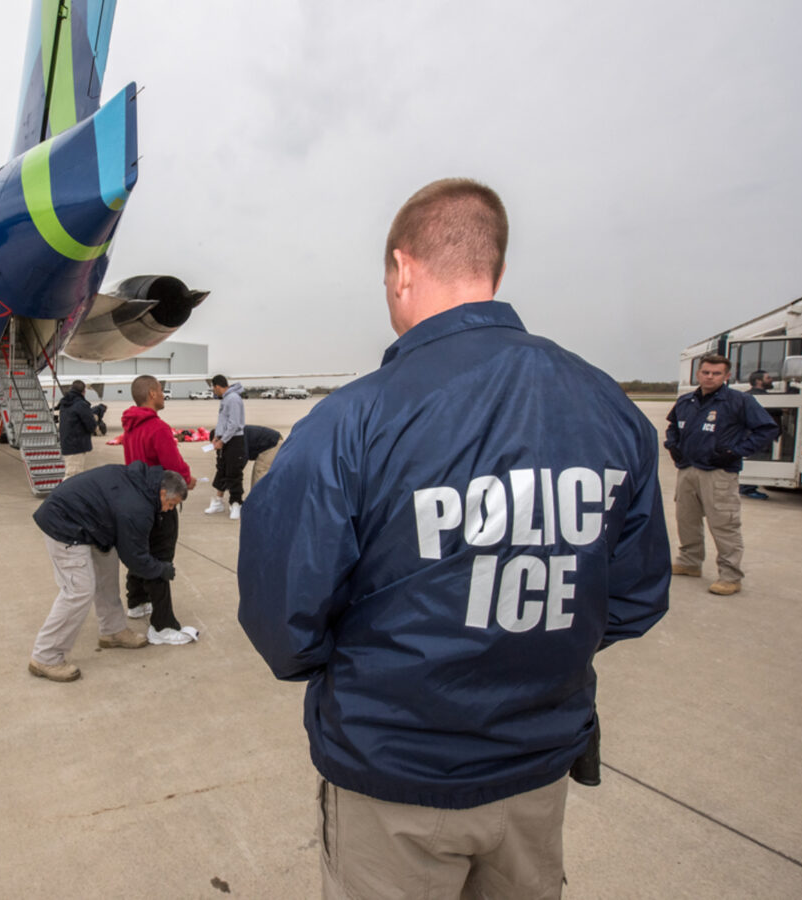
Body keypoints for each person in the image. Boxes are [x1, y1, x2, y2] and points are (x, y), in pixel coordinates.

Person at [237, 178, 671, 899]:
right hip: (536, 769)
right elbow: (633, 599)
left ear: (403, 269)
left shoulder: (352, 421)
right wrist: (527, 651)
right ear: (494, 271)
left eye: (387, 281)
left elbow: (284, 620)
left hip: (397, 779)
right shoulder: (611, 409)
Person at [29, 463, 187, 682]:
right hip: (64, 524)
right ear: (162, 492)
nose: (169, 510)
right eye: (171, 504)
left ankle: (113, 631)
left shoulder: (144, 483)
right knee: (79, 591)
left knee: (107, 572)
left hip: (92, 525)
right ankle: (45, 656)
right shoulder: (138, 507)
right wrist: (161, 569)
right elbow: (135, 559)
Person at [666, 354, 779, 595]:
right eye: (706, 372)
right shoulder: (686, 401)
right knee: (686, 519)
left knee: (724, 525)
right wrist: (673, 446)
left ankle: (730, 575)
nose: (710, 377)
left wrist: (736, 452)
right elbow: (672, 427)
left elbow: (767, 429)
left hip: (718, 473)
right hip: (687, 470)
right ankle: (689, 561)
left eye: (716, 373)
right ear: (698, 374)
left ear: (726, 376)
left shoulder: (739, 401)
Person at [121, 375, 200, 645]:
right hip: (161, 501)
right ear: (153, 393)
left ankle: (137, 600)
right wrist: (188, 479)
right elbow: (174, 466)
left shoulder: (130, 426)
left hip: (138, 499)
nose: (164, 395)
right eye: (162, 391)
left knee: (139, 551)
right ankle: (163, 625)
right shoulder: (157, 427)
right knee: (160, 558)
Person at [204, 375, 247, 520]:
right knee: (222, 469)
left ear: (217, 386)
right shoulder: (226, 399)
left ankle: (236, 503)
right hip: (225, 438)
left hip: (234, 440)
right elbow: (223, 420)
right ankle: (218, 502)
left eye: (213, 389)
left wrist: (224, 440)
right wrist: (217, 436)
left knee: (233, 472)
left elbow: (234, 424)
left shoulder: (233, 398)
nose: (214, 392)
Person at [739, 370, 774, 500]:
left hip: (753, 434)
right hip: (755, 434)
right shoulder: (754, 397)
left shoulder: (747, 395)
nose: (771, 379)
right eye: (768, 377)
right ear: (759, 381)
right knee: (756, 458)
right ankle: (747, 488)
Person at [57, 380, 98, 478]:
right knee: (73, 475)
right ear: (84, 391)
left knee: (72, 471)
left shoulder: (65, 403)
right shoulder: (80, 405)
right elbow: (91, 425)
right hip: (76, 445)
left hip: (67, 443)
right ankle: (64, 493)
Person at [244, 424, 282, 490]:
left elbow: (242, 458)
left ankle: (259, 498)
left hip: (273, 444)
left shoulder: (236, 438)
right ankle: (257, 497)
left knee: (260, 471)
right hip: (273, 441)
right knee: (259, 472)